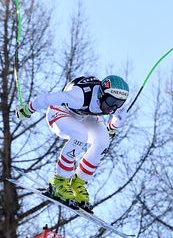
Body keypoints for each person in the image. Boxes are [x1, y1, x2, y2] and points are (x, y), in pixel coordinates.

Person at [15, 75, 129, 213]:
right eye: (112, 101)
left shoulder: (113, 105)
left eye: (120, 102)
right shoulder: (78, 96)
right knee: (80, 135)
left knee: (103, 142)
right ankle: (59, 182)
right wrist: (28, 109)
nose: (114, 107)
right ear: (101, 94)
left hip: (84, 116)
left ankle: (78, 184)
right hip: (59, 113)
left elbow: (115, 120)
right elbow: (47, 99)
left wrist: (112, 127)